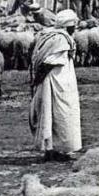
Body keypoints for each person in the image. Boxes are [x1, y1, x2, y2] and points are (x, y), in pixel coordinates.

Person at [29, 9, 82, 162]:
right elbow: (49, 62)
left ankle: (54, 148)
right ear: (68, 25)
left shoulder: (51, 35)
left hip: (57, 77)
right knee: (61, 112)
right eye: (74, 25)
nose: (75, 28)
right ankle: (53, 149)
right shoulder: (60, 39)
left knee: (51, 113)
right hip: (56, 80)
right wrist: (38, 79)